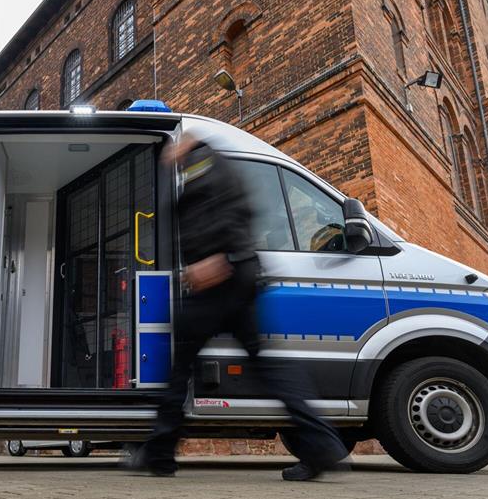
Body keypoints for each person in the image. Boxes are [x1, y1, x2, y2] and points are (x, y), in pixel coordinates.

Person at [134, 133, 350, 480]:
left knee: (183, 364)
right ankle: (321, 445)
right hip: (233, 275)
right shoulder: (203, 165)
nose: (169, 154)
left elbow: (226, 208)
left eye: (174, 147)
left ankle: (159, 452)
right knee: (262, 362)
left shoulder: (203, 161)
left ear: (186, 142)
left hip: (222, 277)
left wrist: (219, 258)